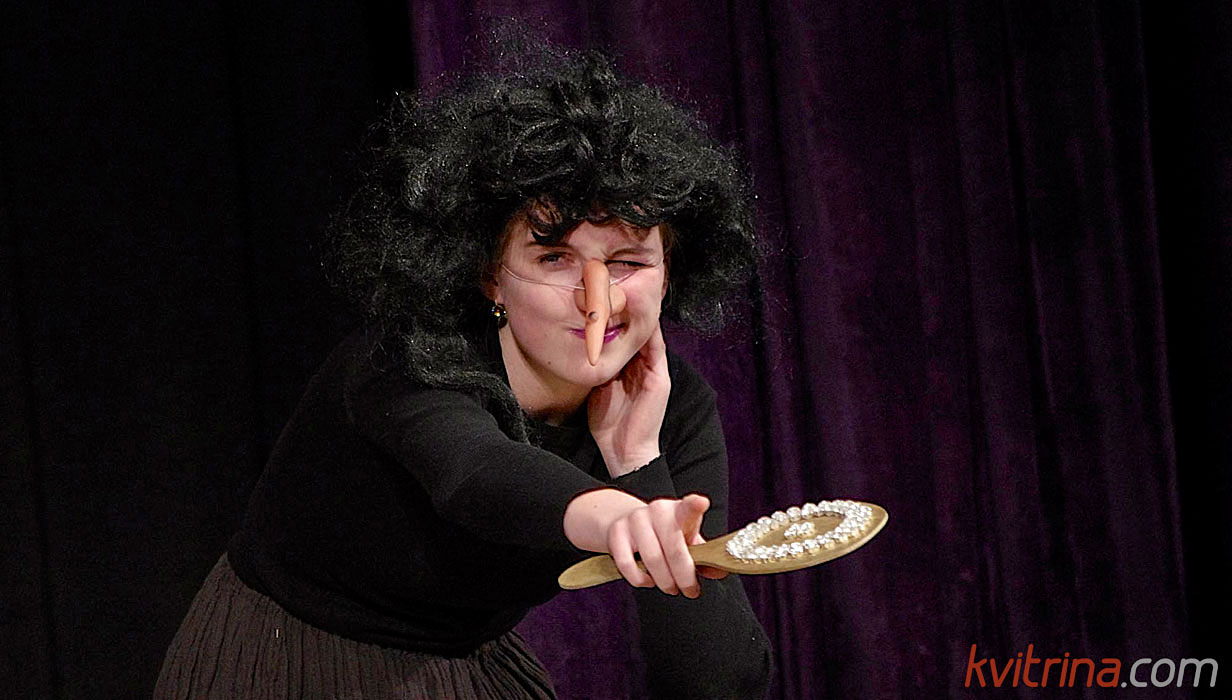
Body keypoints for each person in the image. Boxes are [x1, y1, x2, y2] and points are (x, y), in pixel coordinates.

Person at [155, 41, 772, 699]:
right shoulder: (409, 358)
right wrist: (618, 516)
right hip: (288, 655)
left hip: (463, 661)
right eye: (555, 258)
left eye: (628, 262)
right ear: (490, 276)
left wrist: (641, 465)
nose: (599, 301)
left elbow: (719, 683)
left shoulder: (671, 406)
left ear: (670, 272)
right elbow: (476, 474)